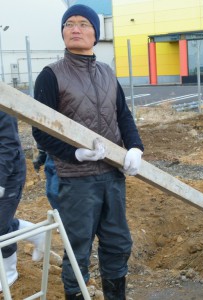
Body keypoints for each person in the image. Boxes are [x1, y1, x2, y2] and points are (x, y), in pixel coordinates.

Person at [32, 4, 144, 300]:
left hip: (111, 175)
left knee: (118, 243)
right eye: (69, 24)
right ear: (63, 33)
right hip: (74, 179)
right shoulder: (51, 75)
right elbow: (39, 130)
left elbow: (123, 117)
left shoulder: (107, 73)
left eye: (83, 24)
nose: (76, 29)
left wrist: (135, 148)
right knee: (77, 248)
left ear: (95, 34)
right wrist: (74, 154)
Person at [0, 111, 44, 292]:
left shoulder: (2, 104)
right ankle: (37, 233)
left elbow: (8, 144)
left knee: (0, 227)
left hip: (9, 173)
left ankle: (9, 273)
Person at [33, 146, 59, 210]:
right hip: (49, 157)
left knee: (56, 192)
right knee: (50, 193)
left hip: (63, 158)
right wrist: (42, 154)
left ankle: (64, 216)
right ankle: (59, 215)